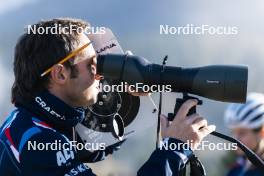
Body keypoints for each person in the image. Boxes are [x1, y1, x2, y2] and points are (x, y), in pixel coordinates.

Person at [0, 18, 215, 176]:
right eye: (92, 65)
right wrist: (175, 148)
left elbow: (93, 147)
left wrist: (126, 92)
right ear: (60, 73)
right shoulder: (41, 142)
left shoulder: (30, 121)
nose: (100, 74)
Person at [224, 92, 264, 176]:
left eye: (242, 133)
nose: (235, 139)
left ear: (262, 133)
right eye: (233, 132)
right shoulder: (236, 169)